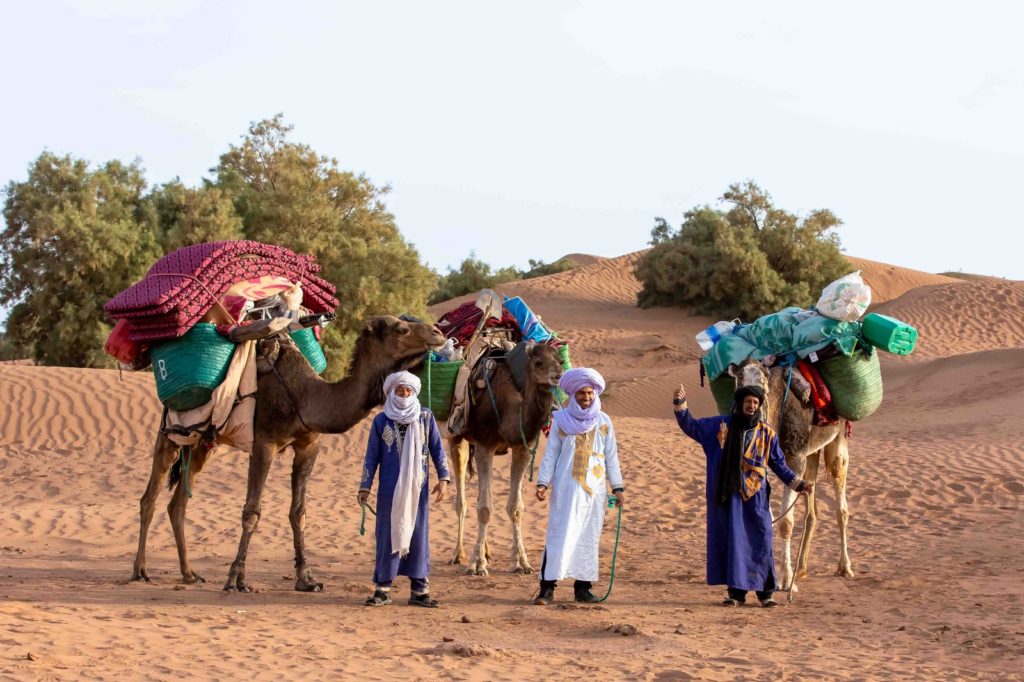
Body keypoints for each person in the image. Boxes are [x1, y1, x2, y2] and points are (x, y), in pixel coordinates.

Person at [673, 381, 813, 607]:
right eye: (748, 401)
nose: (751, 405)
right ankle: (736, 594)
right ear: (739, 403)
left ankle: (765, 593)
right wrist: (680, 404)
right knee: (735, 542)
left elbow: (778, 464)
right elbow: (692, 426)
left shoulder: (767, 433)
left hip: (755, 497)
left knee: (761, 539)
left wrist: (798, 484)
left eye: (755, 402)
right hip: (729, 496)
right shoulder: (721, 425)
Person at [358, 371, 450, 607]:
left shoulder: (425, 418)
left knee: (418, 535)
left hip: (418, 490)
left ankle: (419, 591)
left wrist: (444, 479)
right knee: (388, 534)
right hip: (390, 490)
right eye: (400, 390)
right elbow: (371, 457)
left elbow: (438, 450)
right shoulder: (381, 421)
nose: (405, 394)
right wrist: (365, 486)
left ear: (414, 392)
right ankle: (383, 589)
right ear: (392, 392)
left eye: (408, 390)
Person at [534, 367, 625, 605]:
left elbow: (611, 456)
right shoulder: (561, 420)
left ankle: (583, 589)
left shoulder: (604, 422)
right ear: (573, 395)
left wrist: (617, 487)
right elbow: (551, 453)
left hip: (594, 492)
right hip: (565, 489)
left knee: (588, 537)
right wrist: (543, 482)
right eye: (581, 394)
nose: (586, 398)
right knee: (559, 535)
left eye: (589, 393)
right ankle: (547, 589)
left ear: (595, 394)